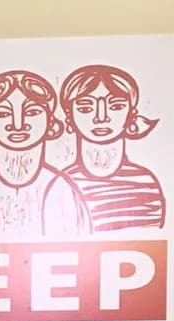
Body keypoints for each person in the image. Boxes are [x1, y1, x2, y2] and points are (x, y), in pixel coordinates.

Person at [0, 70, 89, 237]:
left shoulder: (61, 186)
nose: (18, 124)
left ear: (52, 124)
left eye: (32, 112)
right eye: (3, 114)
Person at [59, 64, 165, 232]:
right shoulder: (61, 183)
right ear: (69, 116)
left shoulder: (145, 182)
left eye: (115, 106)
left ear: (131, 113)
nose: (101, 117)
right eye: (86, 108)